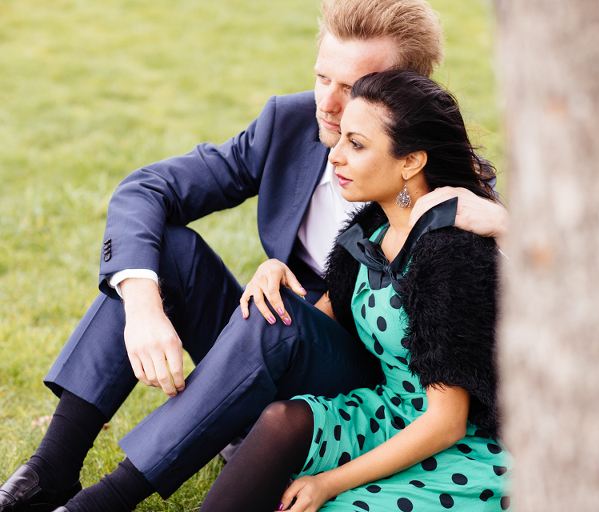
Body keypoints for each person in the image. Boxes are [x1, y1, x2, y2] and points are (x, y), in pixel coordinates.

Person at [0, 1, 507, 512]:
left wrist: (508, 226)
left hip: (371, 374)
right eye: (321, 77)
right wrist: (142, 304)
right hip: (290, 323)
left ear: (402, 92)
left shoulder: (444, 183)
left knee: (277, 322)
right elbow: (149, 189)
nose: (328, 104)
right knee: (168, 255)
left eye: (352, 87)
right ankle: (50, 470)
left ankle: (107, 500)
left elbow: (489, 296)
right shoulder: (289, 123)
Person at [195, 69, 510, 512]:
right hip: (383, 412)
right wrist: (273, 275)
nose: (334, 156)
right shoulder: (368, 233)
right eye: (340, 138)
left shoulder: (448, 253)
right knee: (282, 422)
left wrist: (330, 482)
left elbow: (448, 422)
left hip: (455, 445)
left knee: (326, 505)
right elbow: (312, 334)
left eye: (356, 145)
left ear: (411, 162)